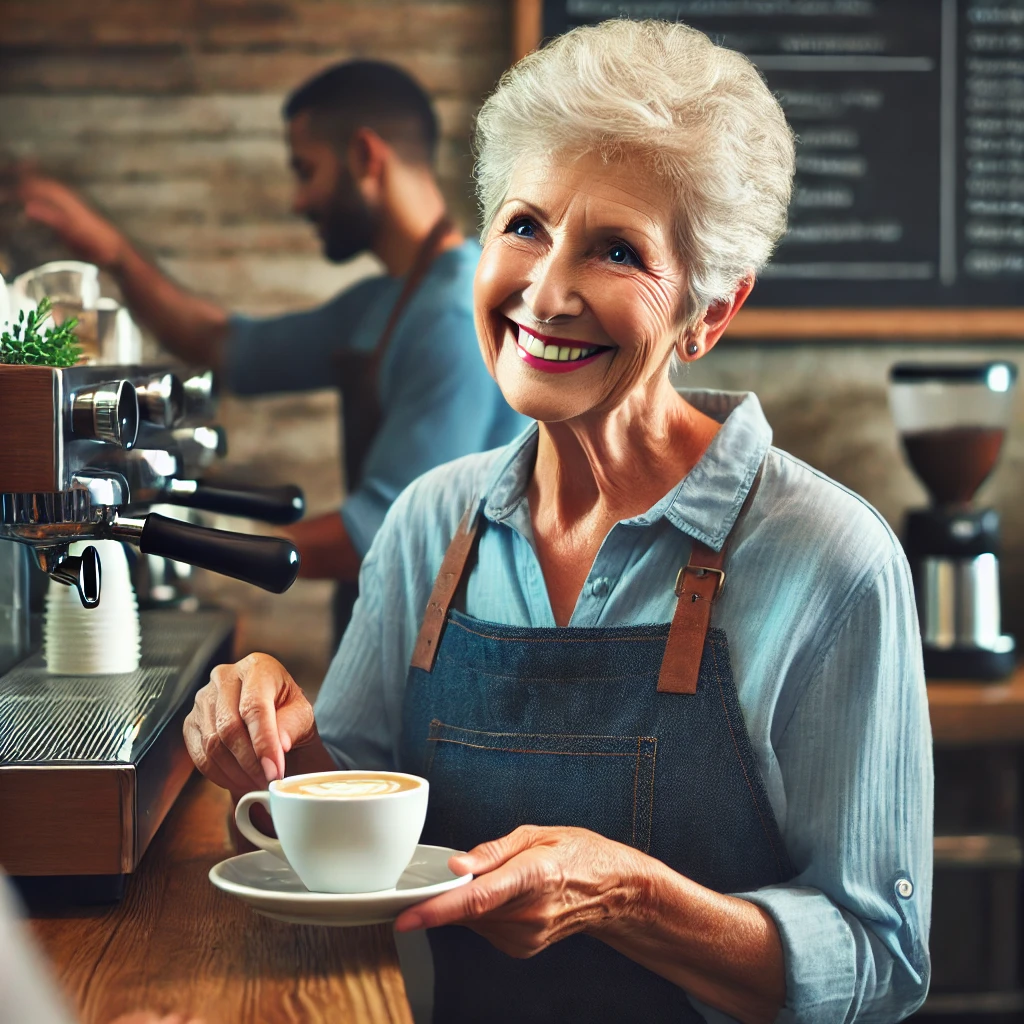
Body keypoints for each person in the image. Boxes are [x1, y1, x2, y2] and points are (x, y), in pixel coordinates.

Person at [182, 20, 933, 1023]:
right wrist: (275, 743)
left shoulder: (831, 558)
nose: (546, 292)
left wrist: (630, 897)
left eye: (616, 250)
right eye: (525, 224)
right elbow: (347, 848)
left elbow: (880, 960)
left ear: (708, 313)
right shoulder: (428, 523)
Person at [15, 60, 528, 638]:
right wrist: (112, 254)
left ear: (365, 157)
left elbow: (380, 535)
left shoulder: (451, 315)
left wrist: (166, 543)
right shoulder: (380, 305)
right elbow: (222, 345)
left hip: (451, 649)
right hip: (393, 631)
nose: (297, 200)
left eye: (305, 170)